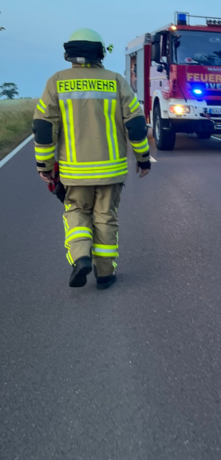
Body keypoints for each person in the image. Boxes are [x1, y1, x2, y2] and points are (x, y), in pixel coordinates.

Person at [33, 28, 151, 290]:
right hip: (111, 170)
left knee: (76, 211)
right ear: (100, 52)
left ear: (69, 53)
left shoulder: (56, 81)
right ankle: (105, 274)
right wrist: (143, 159)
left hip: (74, 172)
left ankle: (81, 257)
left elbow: (43, 128)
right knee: (105, 217)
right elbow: (136, 125)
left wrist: (44, 165)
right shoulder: (116, 81)